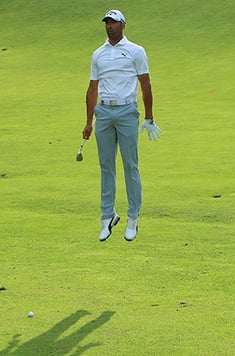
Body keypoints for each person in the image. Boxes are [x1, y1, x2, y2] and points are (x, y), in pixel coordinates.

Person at [83, 9, 162, 242]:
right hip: (104, 113)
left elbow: (145, 84)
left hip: (127, 111)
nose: (109, 26)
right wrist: (88, 122)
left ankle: (133, 217)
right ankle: (107, 217)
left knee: (130, 166)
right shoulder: (98, 54)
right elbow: (92, 89)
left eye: (114, 23)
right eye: (107, 23)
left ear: (123, 26)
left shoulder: (136, 51)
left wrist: (149, 116)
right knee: (106, 166)